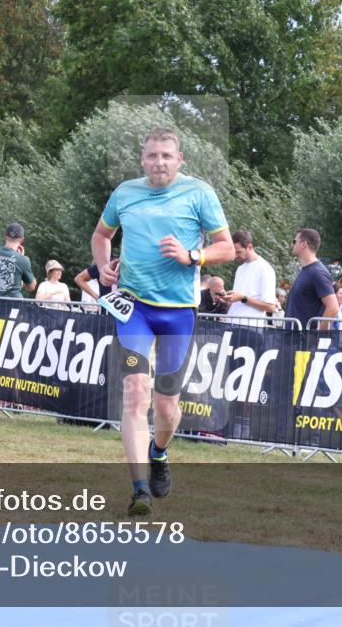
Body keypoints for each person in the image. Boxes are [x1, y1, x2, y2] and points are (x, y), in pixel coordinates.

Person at [91, 127, 234, 516]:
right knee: (136, 392)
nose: (159, 163)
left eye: (167, 156)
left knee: (167, 407)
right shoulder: (125, 193)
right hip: (134, 309)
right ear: (142, 159)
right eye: (152, 155)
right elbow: (102, 235)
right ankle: (140, 490)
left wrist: (192, 256)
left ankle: (159, 452)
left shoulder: (199, 193)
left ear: (179, 159)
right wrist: (103, 267)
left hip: (178, 313)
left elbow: (226, 247)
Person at [285, 228, 339, 329]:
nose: (292, 245)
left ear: (304, 244)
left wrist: (317, 334)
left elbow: (333, 308)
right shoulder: (306, 270)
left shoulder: (318, 273)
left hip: (304, 337)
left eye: (294, 241)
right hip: (292, 336)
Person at [220, 230, 277, 323]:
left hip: (250, 327)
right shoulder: (240, 269)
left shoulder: (265, 269)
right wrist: (227, 299)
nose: (235, 256)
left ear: (250, 247)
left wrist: (242, 298)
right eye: (234, 252)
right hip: (231, 323)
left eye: (238, 252)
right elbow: (238, 301)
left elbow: (270, 307)